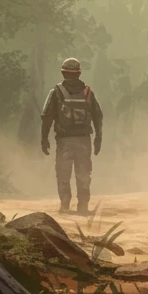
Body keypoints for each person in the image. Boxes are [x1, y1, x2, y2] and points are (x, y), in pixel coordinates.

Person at [40, 57, 103, 214]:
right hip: (84, 140)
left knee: (63, 173)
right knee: (83, 173)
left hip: (64, 140)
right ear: (79, 73)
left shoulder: (56, 92)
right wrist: (98, 138)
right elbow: (98, 116)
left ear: (63, 73)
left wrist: (44, 138)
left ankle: (65, 205)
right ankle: (83, 206)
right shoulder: (88, 93)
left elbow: (47, 116)